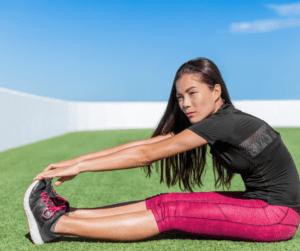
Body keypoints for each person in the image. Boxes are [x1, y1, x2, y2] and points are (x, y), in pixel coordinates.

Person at [24, 57, 300, 245]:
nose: (185, 103)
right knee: (165, 200)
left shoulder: (225, 123)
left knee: (172, 211)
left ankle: (56, 225)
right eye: (180, 97)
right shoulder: (221, 120)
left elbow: (146, 156)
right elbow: (147, 144)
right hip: (261, 204)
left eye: (193, 93)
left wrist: (81, 167)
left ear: (216, 91)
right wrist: (76, 161)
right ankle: (68, 214)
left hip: (277, 215)